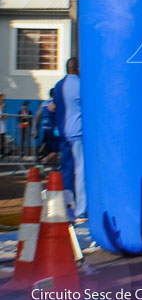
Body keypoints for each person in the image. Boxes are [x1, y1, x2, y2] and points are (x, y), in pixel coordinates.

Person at [53, 58, 85, 222]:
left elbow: (53, 107)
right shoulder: (81, 85)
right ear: (77, 68)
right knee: (80, 170)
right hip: (78, 132)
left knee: (66, 170)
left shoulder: (59, 85)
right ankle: (81, 209)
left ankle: (67, 206)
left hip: (64, 132)